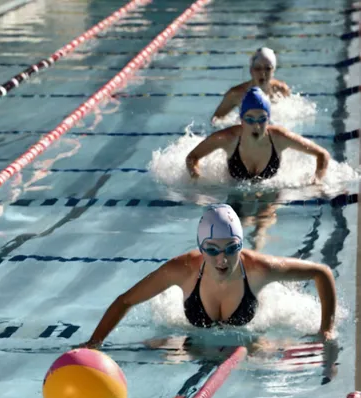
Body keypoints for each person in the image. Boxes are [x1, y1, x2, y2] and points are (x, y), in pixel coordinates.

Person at [82, 204, 336, 345]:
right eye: (212, 250)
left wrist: (326, 330)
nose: (222, 259)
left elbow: (322, 273)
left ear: (241, 245)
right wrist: (95, 342)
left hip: (246, 344)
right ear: (200, 247)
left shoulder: (260, 269)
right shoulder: (181, 270)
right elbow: (126, 300)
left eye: (231, 248)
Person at [187, 87, 330, 182]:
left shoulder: (279, 138)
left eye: (262, 119)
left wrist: (317, 180)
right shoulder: (228, 138)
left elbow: (322, 154)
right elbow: (192, 157)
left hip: (271, 195)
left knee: (264, 220)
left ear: (268, 119)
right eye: (250, 119)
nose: (256, 125)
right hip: (234, 189)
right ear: (241, 120)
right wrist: (197, 179)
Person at [211, 47, 290, 124]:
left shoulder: (281, 90)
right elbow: (215, 120)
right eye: (258, 68)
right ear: (251, 70)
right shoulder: (236, 94)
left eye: (267, 69)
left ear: (273, 70)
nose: (262, 73)